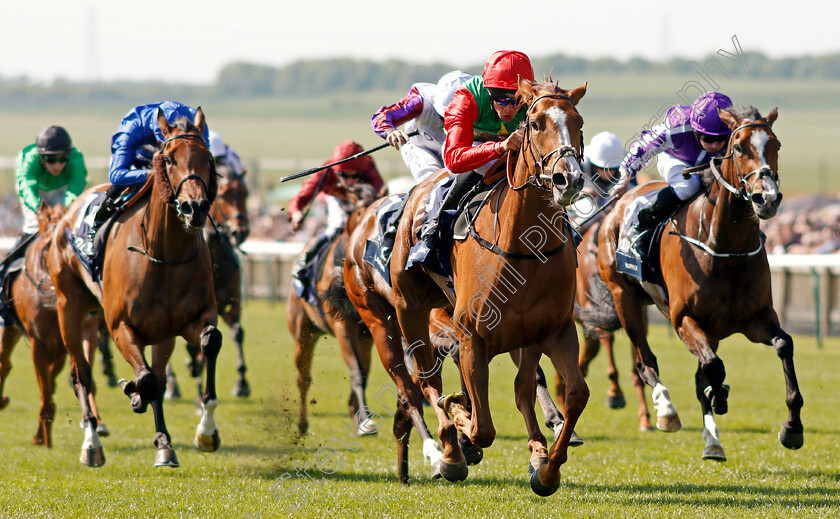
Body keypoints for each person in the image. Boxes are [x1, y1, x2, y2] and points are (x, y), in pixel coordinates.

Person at [420, 50, 534, 248]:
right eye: (501, 100)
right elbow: (454, 160)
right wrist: (500, 147)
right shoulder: (466, 98)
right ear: (489, 91)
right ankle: (435, 227)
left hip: (517, 149)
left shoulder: (535, 98)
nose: (509, 109)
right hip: (476, 148)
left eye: (517, 100)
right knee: (487, 165)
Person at [88, 101, 209, 258]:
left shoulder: (198, 128)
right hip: (138, 162)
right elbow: (117, 175)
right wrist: (155, 174)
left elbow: (202, 165)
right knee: (119, 187)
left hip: (175, 165)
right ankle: (97, 226)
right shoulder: (134, 126)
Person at [614, 91, 734, 232]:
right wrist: (626, 175)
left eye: (721, 138)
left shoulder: (735, 130)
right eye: (708, 138)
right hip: (673, 158)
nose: (715, 145)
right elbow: (644, 145)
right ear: (695, 130)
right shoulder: (677, 125)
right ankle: (645, 219)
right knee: (689, 185)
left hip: (710, 166)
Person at [288, 140, 384, 279]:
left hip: (361, 198)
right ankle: (305, 259)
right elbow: (301, 197)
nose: (350, 181)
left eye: (355, 176)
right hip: (337, 198)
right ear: (336, 171)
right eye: (345, 176)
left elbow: (381, 195)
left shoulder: (368, 166)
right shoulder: (324, 172)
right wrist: (296, 214)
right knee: (338, 225)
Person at [371, 70, 472, 182]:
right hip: (421, 148)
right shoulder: (420, 101)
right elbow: (383, 115)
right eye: (445, 117)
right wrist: (390, 131)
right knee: (437, 184)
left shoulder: (486, 104)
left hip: (455, 152)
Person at [568, 131, 627, 232]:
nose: (607, 174)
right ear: (593, 164)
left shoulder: (626, 167)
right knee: (590, 213)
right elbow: (565, 195)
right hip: (585, 204)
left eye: (612, 169)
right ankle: (570, 236)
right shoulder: (580, 165)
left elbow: (634, 192)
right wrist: (581, 192)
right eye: (602, 168)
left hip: (611, 203)